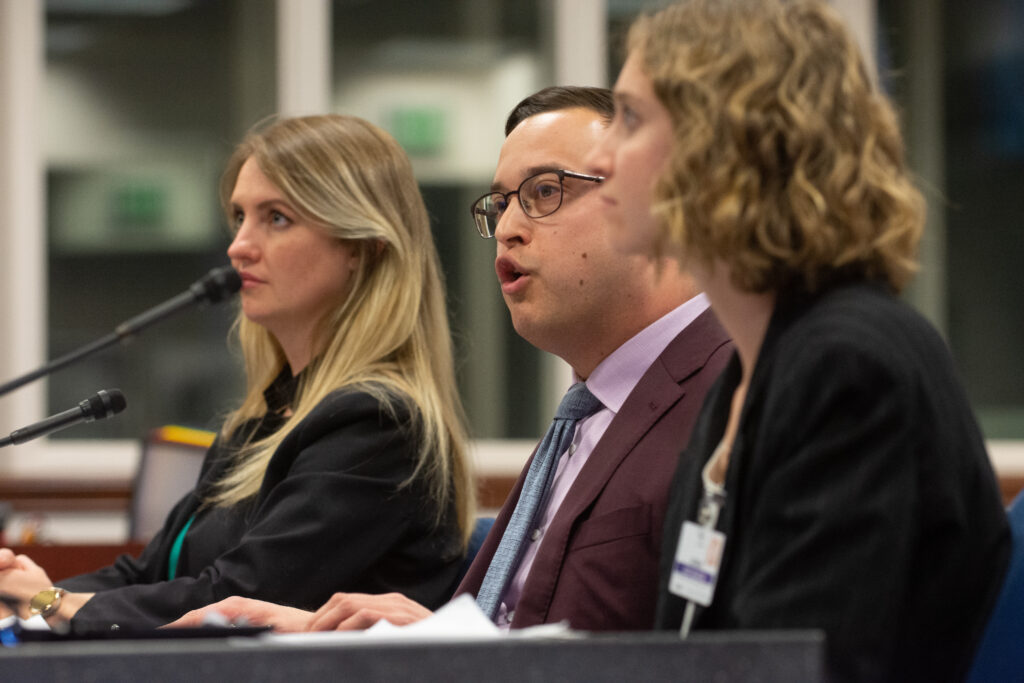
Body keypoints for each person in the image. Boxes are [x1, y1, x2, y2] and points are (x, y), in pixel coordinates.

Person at [170, 86, 732, 632]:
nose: (507, 229)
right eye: (501, 203)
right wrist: (417, 636)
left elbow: (731, 660)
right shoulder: (588, 414)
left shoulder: (738, 392)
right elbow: (524, 632)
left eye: (543, 192)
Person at [585, 1, 1011, 681]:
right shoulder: (748, 373)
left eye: (631, 118)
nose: (598, 156)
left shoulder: (849, 365)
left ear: (727, 142)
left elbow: (801, 667)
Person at [0, 114, 475, 630]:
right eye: (239, 216)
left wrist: (47, 603)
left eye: (276, 218)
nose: (238, 246)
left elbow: (233, 601)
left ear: (362, 249)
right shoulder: (266, 419)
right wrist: (20, 594)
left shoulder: (379, 424)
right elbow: (147, 573)